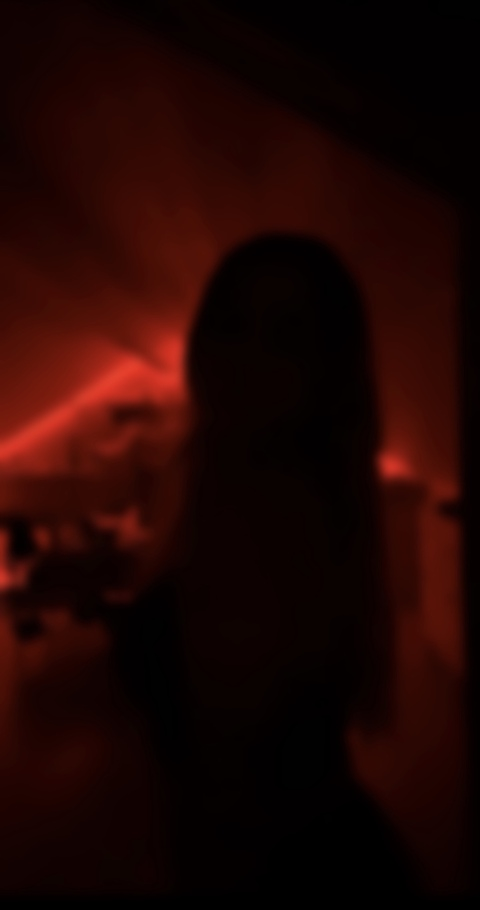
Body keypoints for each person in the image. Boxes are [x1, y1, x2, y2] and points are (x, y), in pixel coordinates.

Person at [114, 233, 418, 894]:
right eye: (230, 323)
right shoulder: (220, 496)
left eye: (284, 336)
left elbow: (233, 786)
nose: (245, 355)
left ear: (327, 370)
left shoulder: (287, 515)